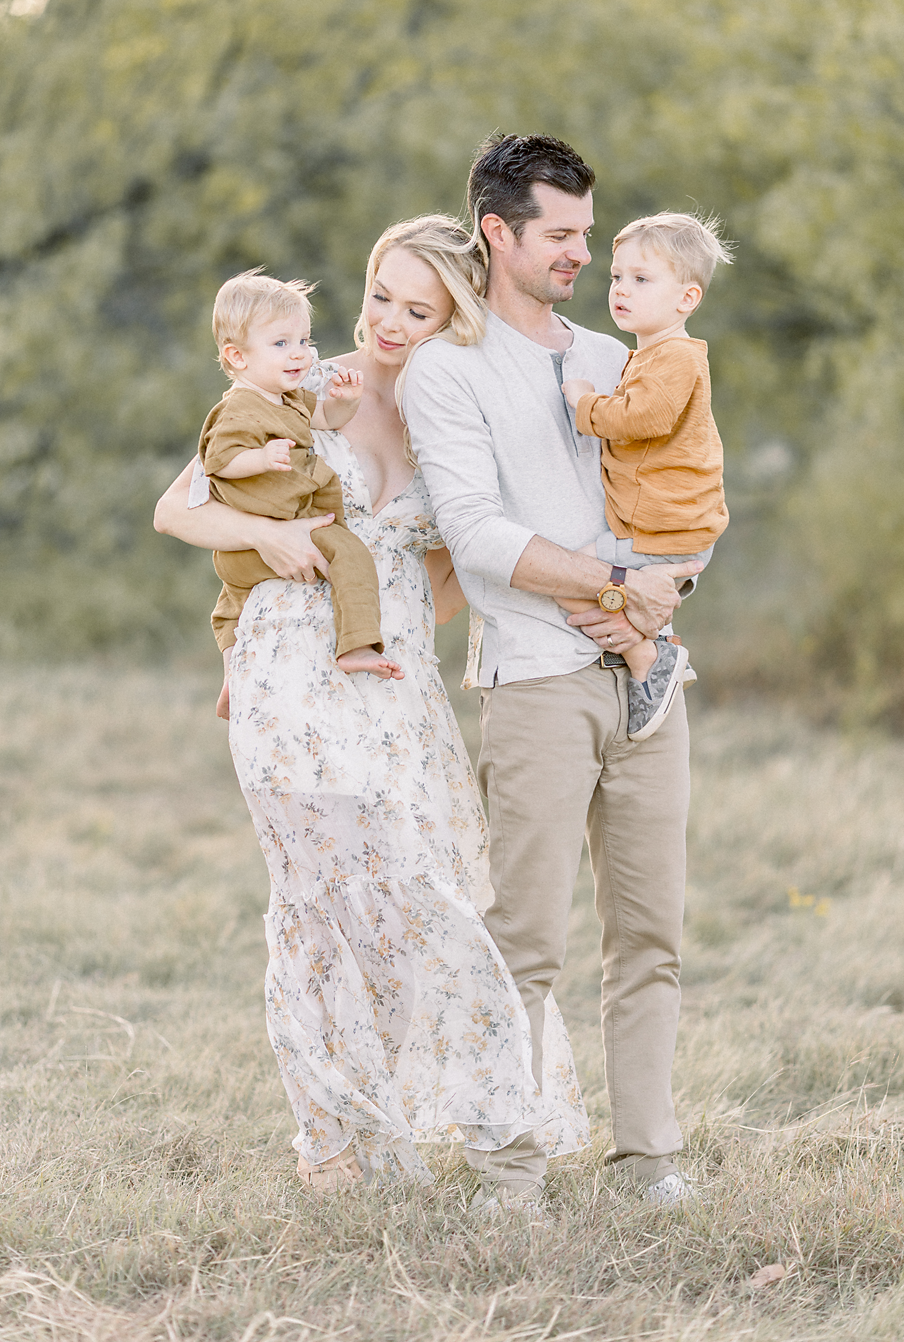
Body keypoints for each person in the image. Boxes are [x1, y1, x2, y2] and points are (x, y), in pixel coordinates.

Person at [154, 215, 588, 1196]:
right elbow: (180, 506)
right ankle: (332, 1147)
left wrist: (400, 634)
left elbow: (450, 572)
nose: (387, 321)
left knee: (414, 900)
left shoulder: (456, 419)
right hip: (287, 676)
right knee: (311, 906)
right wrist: (266, 558)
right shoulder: (303, 383)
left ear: (454, 318)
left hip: (392, 688)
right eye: (380, 294)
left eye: (416, 308)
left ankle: (466, 1124)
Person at [401, 135, 704, 1208]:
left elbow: (683, 493)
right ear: (499, 232)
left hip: (646, 681)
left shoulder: (617, 356)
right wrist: (611, 585)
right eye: (563, 235)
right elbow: (476, 532)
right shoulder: (445, 369)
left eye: (590, 234)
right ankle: (507, 1170)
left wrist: (658, 591)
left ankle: (648, 1164)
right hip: (533, 677)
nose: (586, 254)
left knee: (651, 937)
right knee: (522, 941)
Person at [198, 268, 402, 720]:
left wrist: (346, 400)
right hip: (277, 533)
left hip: (252, 547)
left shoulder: (287, 399)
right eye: (281, 344)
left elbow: (326, 419)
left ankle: (233, 676)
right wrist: (261, 458)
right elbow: (218, 460)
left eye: (304, 341)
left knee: (231, 607)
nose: (299, 354)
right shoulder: (238, 408)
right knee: (351, 555)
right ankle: (357, 644)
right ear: (237, 356)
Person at [559, 211, 732, 741]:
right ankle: (648, 642)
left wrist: (584, 403)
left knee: (565, 571)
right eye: (616, 277)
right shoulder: (649, 355)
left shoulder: (678, 358)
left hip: (667, 531)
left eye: (641, 279)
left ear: (687, 299)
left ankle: (647, 654)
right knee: (578, 574)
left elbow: (641, 419)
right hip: (663, 528)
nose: (621, 290)